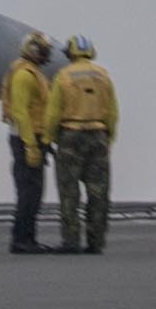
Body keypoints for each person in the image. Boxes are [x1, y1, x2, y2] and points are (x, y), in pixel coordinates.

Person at [47, 30, 121, 257]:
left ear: (70, 52)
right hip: (98, 134)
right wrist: (108, 138)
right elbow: (113, 112)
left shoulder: (64, 76)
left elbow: (53, 112)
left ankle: (71, 240)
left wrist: (48, 138)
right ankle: (96, 241)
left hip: (70, 135)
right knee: (98, 192)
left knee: (69, 192)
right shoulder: (103, 75)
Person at [3, 33, 62, 253]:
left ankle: (28, 238)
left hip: (30, 139)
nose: (47, 55)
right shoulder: (24, 76)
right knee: (28, 193)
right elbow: (20, 113)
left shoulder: (33, 73)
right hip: (25, 139)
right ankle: (21, 240)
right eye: (44, 51)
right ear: (34, 50)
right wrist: (31, 145)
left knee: (34, 193)